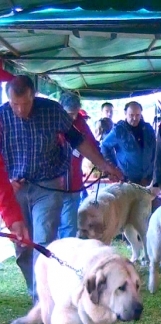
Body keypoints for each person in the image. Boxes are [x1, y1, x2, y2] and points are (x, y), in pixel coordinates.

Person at [0, 75, 122, 304]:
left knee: (43, 240)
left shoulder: (52, 111)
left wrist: (104, 165)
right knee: (23, 246)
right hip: (16, 187)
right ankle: (34, 289)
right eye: (14, 104)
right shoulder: (1, 116)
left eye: (25, 103)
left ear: (33, 95)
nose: (19, 109)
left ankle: (43, 302)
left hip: (48, 185)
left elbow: (79, 140)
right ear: (8, 99)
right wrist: (7, 180)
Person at [58, 92, 100, 239]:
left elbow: (94, 147)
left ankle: (65, 258)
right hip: (51, 185)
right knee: (51, 224)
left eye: (75, 114)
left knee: (69, 225)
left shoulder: (82, 125)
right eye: (70, 114)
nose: (73, 118)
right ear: (60, 109)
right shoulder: (51, 123)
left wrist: (102, 164)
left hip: (73, 184)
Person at [100, 101, 156, 185]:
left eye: (137, 115)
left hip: (147, 179)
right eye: (131, 115)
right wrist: (112, 166)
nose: (134, 118)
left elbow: (155, 151)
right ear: (125, 113)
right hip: (127, 180)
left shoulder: (148, 129)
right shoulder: (118, 130)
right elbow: (104, 146)